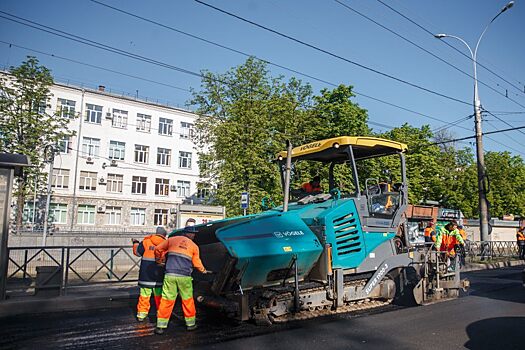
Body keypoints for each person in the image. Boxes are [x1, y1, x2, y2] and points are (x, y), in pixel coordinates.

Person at [154, 226, 209, 335]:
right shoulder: (194, 246)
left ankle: (161, 326)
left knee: (167, 300)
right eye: (193, 233)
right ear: (189, 234)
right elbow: (197, 263)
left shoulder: (172, 240)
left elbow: (157, 249)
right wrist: (203, 271)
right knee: (187, 300)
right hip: (184, 277)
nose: (194, 235)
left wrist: (160, 260)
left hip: (170, 275)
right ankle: (191, 325)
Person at [132, 226, 167, 322]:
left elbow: (137, 252)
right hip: (159, 275)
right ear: (164, 235)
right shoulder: (166, 244)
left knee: (144, 296)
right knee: (159, 296)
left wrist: (135, 243)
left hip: (145, 275)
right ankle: (161, 314)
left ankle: (141, 315)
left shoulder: (146, 241)